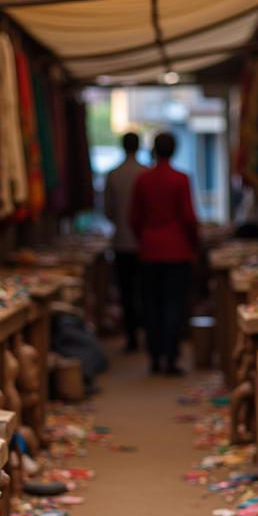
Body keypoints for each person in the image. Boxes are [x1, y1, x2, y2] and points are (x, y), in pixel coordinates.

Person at [130, 131, 199, 375]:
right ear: (174, 150)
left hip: (149, 249)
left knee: (151, 305)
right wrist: (194, 245)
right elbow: (189, 218)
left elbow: (134, 218)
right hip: (177, 250)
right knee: (173, 305)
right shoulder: (180, 179)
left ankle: (154, 357)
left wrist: (145, 238)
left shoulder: (143, 180)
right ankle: (170, 358)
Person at [103, 132, 146, 351]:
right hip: (144, 243)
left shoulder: (113, 175)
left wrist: (121, 223)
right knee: (146, 291)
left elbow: (108, 211)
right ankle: (147, 335)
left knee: (126, 292)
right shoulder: (145, 174)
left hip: (121, 241)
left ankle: (131, 338)